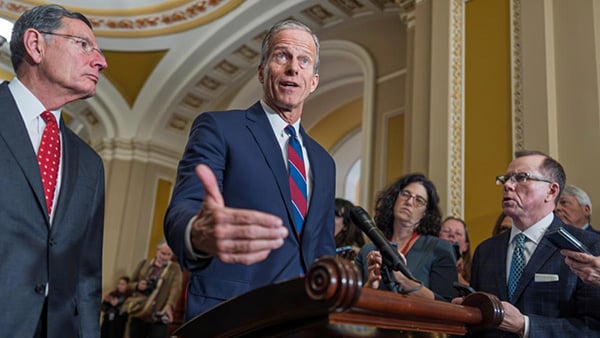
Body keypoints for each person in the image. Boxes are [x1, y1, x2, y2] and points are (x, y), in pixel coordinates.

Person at [164, 19, 336, 319]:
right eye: (282, 56)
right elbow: (183, 209)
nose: (293, 68)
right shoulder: (218, 128)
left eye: (304, 61)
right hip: (232, 312)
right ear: (261, 70)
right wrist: (197, 234)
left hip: (303, 317)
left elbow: (322, 246)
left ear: (314, 81)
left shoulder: (324, 162)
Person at [0, 4, 107, 337]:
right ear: (36, 45)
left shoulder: (90, 163)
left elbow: (87, 276)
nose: (101, 61)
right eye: (83, 45)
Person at [459, 150, 600, 337]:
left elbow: (592, 328)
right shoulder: (486, 250)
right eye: (506, 178)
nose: (508, 185)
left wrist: (525, 326)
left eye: (522, 177)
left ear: (551, 191)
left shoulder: (588, 246)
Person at [355, 174, 458, 301]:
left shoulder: (439, 248)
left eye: (419, 200)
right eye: (405, 194)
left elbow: (447, 303)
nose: (409, 202)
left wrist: (402, 279)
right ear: (394, 199)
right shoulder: (367, 251)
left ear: (425, 213)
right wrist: (370, 285)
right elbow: (353, 301)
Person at [125, 241, 182, 338]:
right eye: (163, 253)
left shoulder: (174, 269)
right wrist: (138, 286)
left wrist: (169, 305)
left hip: (158, 317)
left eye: (169, 255)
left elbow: (175, 289)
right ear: (157, 251)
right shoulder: (144, 264)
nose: (165, 257)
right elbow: (129, 285)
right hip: (140, 313)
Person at [439, 217, 471, 285]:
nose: (452, 235)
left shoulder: (474, 271)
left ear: (466, 246)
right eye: (446, 231)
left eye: (458, 233)